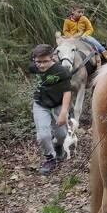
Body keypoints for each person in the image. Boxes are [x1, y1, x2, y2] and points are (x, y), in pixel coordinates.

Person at [28, 44, 72, 174]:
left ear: (52, 58)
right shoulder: (33, 67)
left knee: (62, 135)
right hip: (40, 104)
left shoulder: (61, 71)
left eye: (45, 61)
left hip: (58, 104)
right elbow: (32, 67)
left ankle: (58, 146)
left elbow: (67, 92)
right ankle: (50, 158)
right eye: (38, 62)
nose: (41, 65)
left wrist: (64, 112)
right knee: (43, 136)